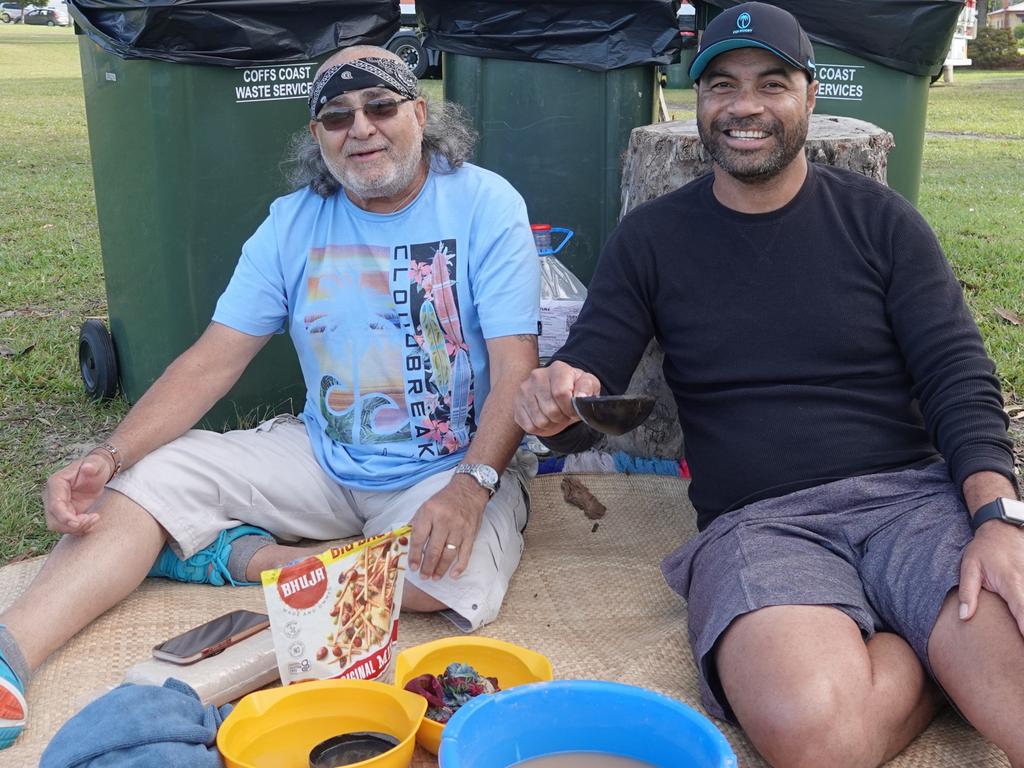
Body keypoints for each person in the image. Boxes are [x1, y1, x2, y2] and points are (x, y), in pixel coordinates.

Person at [514, 4, 1023, 766]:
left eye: (771, 83)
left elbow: (959, 377)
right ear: (699, 105)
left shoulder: (883, 223)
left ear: (810, 98)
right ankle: (926, 659)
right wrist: (556, 404)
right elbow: (591, 383)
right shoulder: (651, 239)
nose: (744, 105)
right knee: (814, 739)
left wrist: (997, 519)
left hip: (913, 502)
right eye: (721, 85)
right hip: (762, 524)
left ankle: (926, 644)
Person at [0, 45, 541, 750]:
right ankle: (10, 656)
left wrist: (473, 486)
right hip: (322, 456)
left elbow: (515, 368)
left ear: (420, 114)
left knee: (451, 580)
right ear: (316, 137)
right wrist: (110, 452)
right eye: (338, 117)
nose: (363, 128)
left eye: (381, 107)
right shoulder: (293, 221)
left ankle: (240, 557)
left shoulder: (484, 202)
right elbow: (211, 363)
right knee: (139, 483)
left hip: (447, 468)